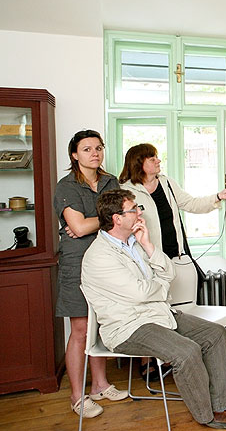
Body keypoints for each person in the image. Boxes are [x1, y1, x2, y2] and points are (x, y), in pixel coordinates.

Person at [80, 189, 226, 431]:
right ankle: (208, 415)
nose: (140, 213)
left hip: (159, 314)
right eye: (134, 209)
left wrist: (149, 245)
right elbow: (141, 292)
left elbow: (168, 274)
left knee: (215, 334)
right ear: (117, 218)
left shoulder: (136, 243)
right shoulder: (98, 256)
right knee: (186, 352)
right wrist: (160, 286)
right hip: (128, 327)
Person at [118, 143, 226, 380]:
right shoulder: (127, 191)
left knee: (173, 308)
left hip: (174, 254)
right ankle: (148, 359)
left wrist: (217, 197)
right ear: (139, 163)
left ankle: (177, 355)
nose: (158, 161)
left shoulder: (167, 182)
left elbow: (190, 203)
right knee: (150, 307)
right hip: (144, 258)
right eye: (153, 158)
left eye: (157, 158)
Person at [53, 130, 126, 418]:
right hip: (77, 263)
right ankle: (76, 395)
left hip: (108, 261)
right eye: (87, 149)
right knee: (81, 330)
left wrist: (90, 223)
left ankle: (100, 384)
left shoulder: (110, 182)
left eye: (98, 148)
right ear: (75, 154)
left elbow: (115, 221)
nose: (94, 153)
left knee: (102, 325)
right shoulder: (66, 186)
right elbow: (81, 228)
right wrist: (103, 220)